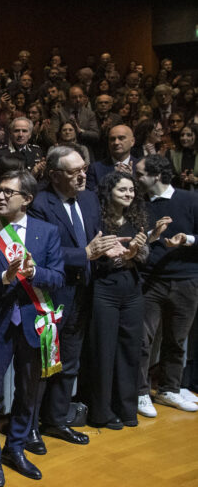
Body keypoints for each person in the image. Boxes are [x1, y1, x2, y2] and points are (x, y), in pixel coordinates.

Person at [0, 169, 65, 487]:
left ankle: (16, 447)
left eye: (9, 192)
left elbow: (58, 277)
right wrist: (3, 278)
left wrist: (35, 273)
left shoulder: (46, 232)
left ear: (27, 199)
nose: (1, 196)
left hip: (34, 322)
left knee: (29, 391)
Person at [29, 146, 120, 449]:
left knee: (69, 361)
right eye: (74, 171)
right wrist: (84, 254)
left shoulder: (90, 198)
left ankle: (56, 419)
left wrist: (112, 249)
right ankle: (28, 428)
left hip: (83, 292)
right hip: (51, 294)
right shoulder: (39, 203)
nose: (82, 176)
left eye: (84, 169)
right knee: (43, 364)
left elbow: (96, 239)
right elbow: (40, 252)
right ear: (55, 175)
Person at [89, 171, 167, 426]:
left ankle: (126, 409)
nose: (128, 194)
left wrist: (136, 251)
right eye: (122, 189)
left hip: (132, 290)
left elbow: (144, 256)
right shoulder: (97, 220)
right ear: (108, 192)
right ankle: (102, 412)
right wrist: (121, 256)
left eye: (131, 190)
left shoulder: (136, 219)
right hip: (104, 288)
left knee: (130, 349)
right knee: (104, 352)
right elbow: (92, 259)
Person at [136, 154, 198, 415]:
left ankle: (169, 389)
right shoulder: (139, 204)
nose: (136, 178)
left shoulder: (190, 199)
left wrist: (187, 240)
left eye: (140, 174)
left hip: (186, 280)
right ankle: (140, 392)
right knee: (142, 339)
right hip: (150, 280)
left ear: (156, 175)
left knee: (176, 339)